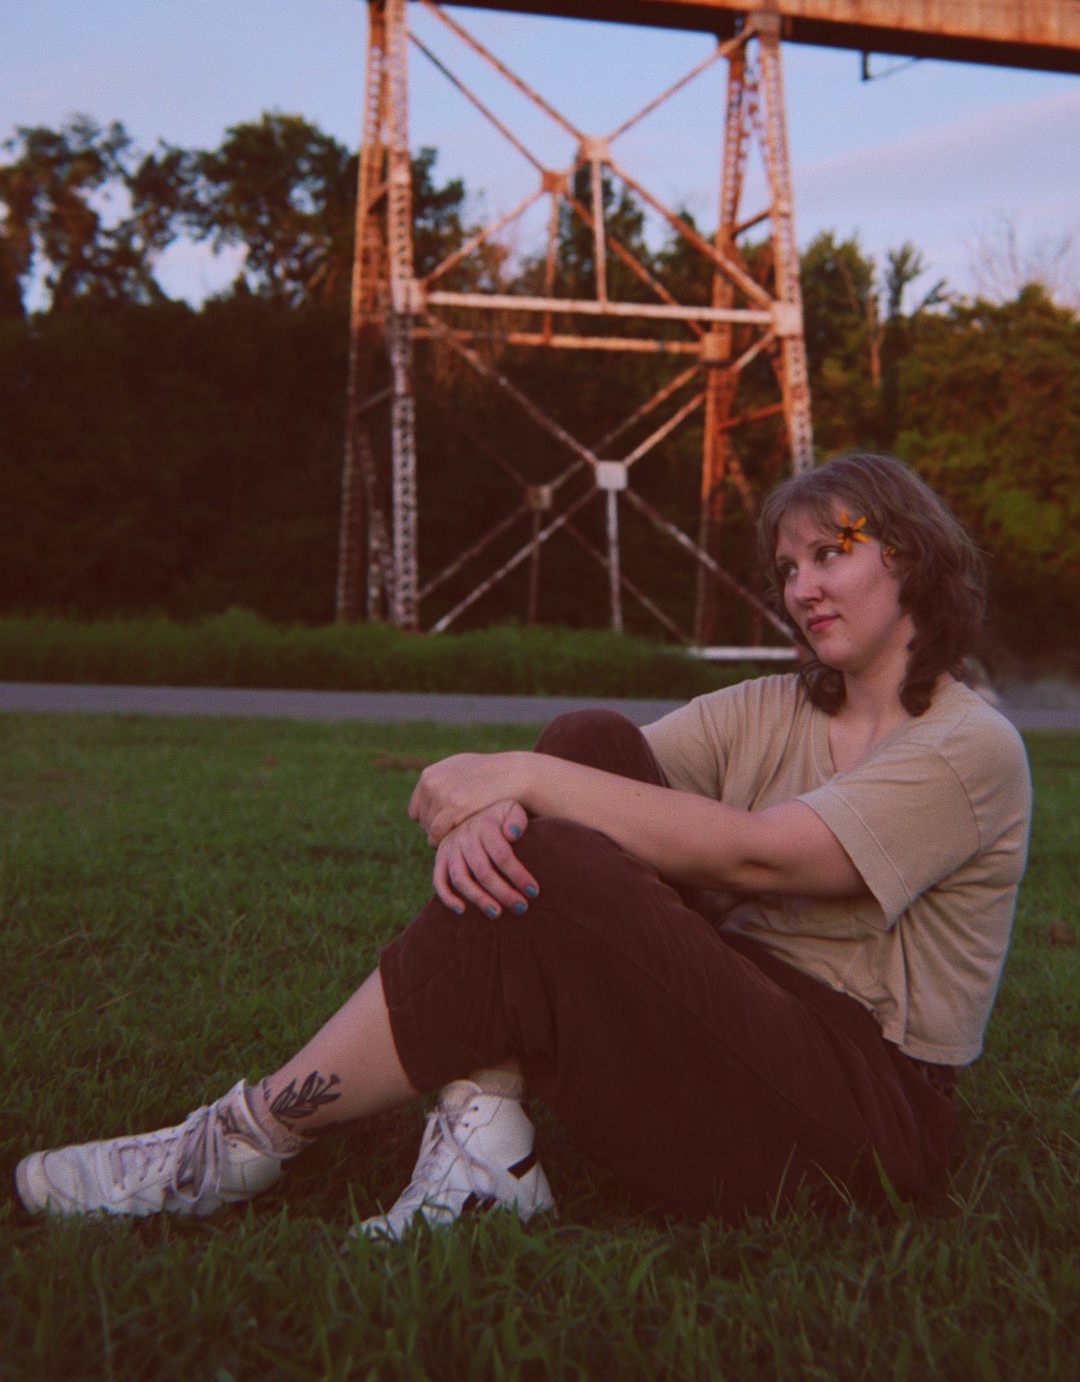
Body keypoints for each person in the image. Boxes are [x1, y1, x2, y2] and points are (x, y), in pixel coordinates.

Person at [15, 453, 1031, 1235]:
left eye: (832, 551)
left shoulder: (966, 742)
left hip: (862, 1111)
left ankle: (244, 1136)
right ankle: (482, 1137)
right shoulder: (772, 707)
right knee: (585, 738)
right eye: (789, 566)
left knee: (557, 817)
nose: (804, 585)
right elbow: (587, 776)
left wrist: (522, 787)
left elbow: (762, 854)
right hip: (730, 1022)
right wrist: (507, 802)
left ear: (906, 552)